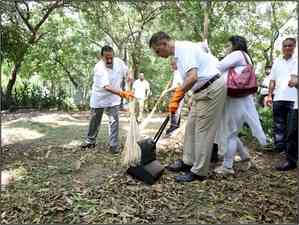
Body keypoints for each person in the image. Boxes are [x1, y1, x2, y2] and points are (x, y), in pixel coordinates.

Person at [149, 32, 226, 182]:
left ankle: (199, 172)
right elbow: (192, 79)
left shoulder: (183, 49)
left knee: (203, 131)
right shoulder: (179, 54)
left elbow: (193, 77)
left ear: (164, 44)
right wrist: (191, 95)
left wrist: (176, 97)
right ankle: (188, 162)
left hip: (212, 89)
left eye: (158, 51)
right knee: (190, 127)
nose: (158, 55)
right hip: (200, 92)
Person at [213, 35, 267, 175]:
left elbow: (217, 67)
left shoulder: (237, 54)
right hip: (242, 98)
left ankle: (227, 166)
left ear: (235, 45)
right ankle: (245, 157)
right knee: (233, 131)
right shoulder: (246, 57)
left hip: (235, 99)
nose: (226, 48)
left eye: (228, 45)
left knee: (230, 133)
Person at [81, 46, 134, 154]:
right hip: (99, 97)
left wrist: (129, 76)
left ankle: (113, 145)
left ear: (113, 55)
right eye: (106, 58)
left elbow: (127, 71)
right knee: (95, 121)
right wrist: (123, 93)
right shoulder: (99, 68)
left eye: (111, 57)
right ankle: (90, 141)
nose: (109, 60)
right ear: (101, 57)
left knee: (113, 121)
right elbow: (107, 87)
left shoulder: (119, 62)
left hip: (113, 99)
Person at [265, 38, 297, 153]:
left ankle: (291, 153)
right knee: (278, 126)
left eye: (290, 46)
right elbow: (272, 80)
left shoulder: (296, 61)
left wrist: (295, 82)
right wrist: (269, 95)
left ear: (294, 47)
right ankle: (280, 149)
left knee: (292, 128)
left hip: (293, 100)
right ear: (282, 48)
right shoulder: (277, 62)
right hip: (278, 98)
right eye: (285, 46)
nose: (287, 48)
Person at [275, 71, 298, 171]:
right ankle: (291, 161)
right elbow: (293, 81)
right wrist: (294, 82)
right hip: (296, 105)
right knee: (292, 133)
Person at [162, 58, 184, 136]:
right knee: (174, 111)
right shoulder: (175, 72)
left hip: (178, 93)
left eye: (172, 64)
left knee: (175, 111)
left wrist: (166, 91)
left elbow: (177, 86)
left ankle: (173, 128)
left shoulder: (178, 72)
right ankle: (174, 128)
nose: (171, 66)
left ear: (176, 64)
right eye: (171, 64)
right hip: (175, 93)